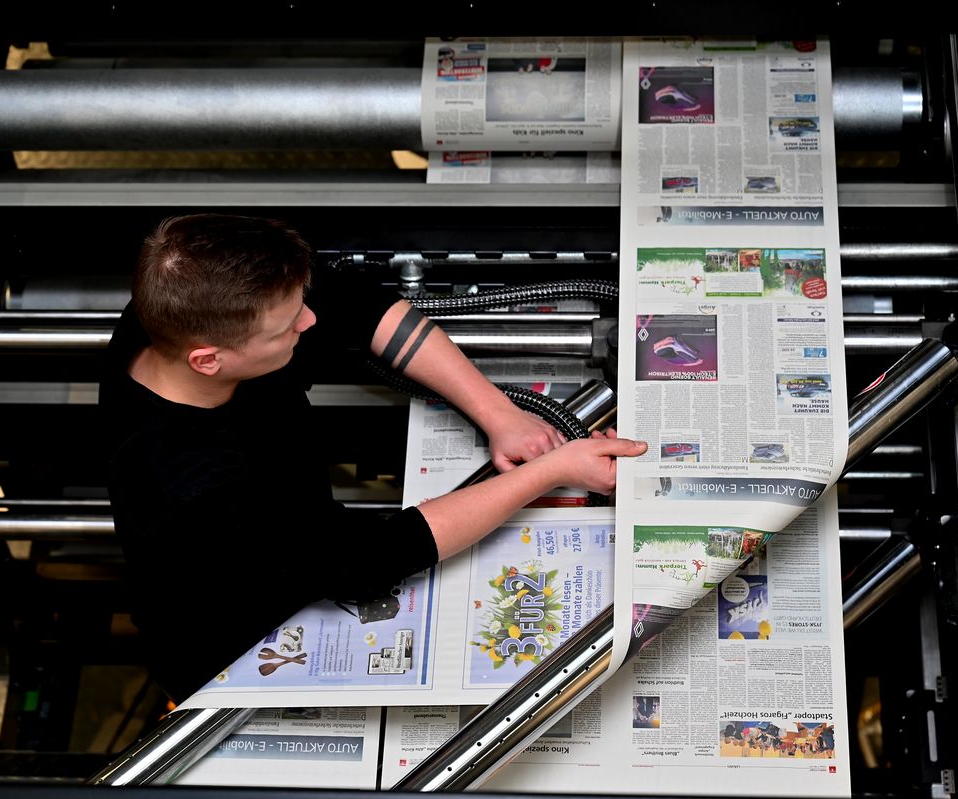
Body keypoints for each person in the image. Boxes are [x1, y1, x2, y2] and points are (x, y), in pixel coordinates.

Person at [99, 214, 646, 700]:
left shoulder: (180, 306)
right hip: (236, 661)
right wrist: (555, 469)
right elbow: (367, 561)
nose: (310, 323)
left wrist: (499, 414)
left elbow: (356, 305)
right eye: (288, 325)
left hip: (305, 546)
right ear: (208, 360)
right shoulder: (192, 489)